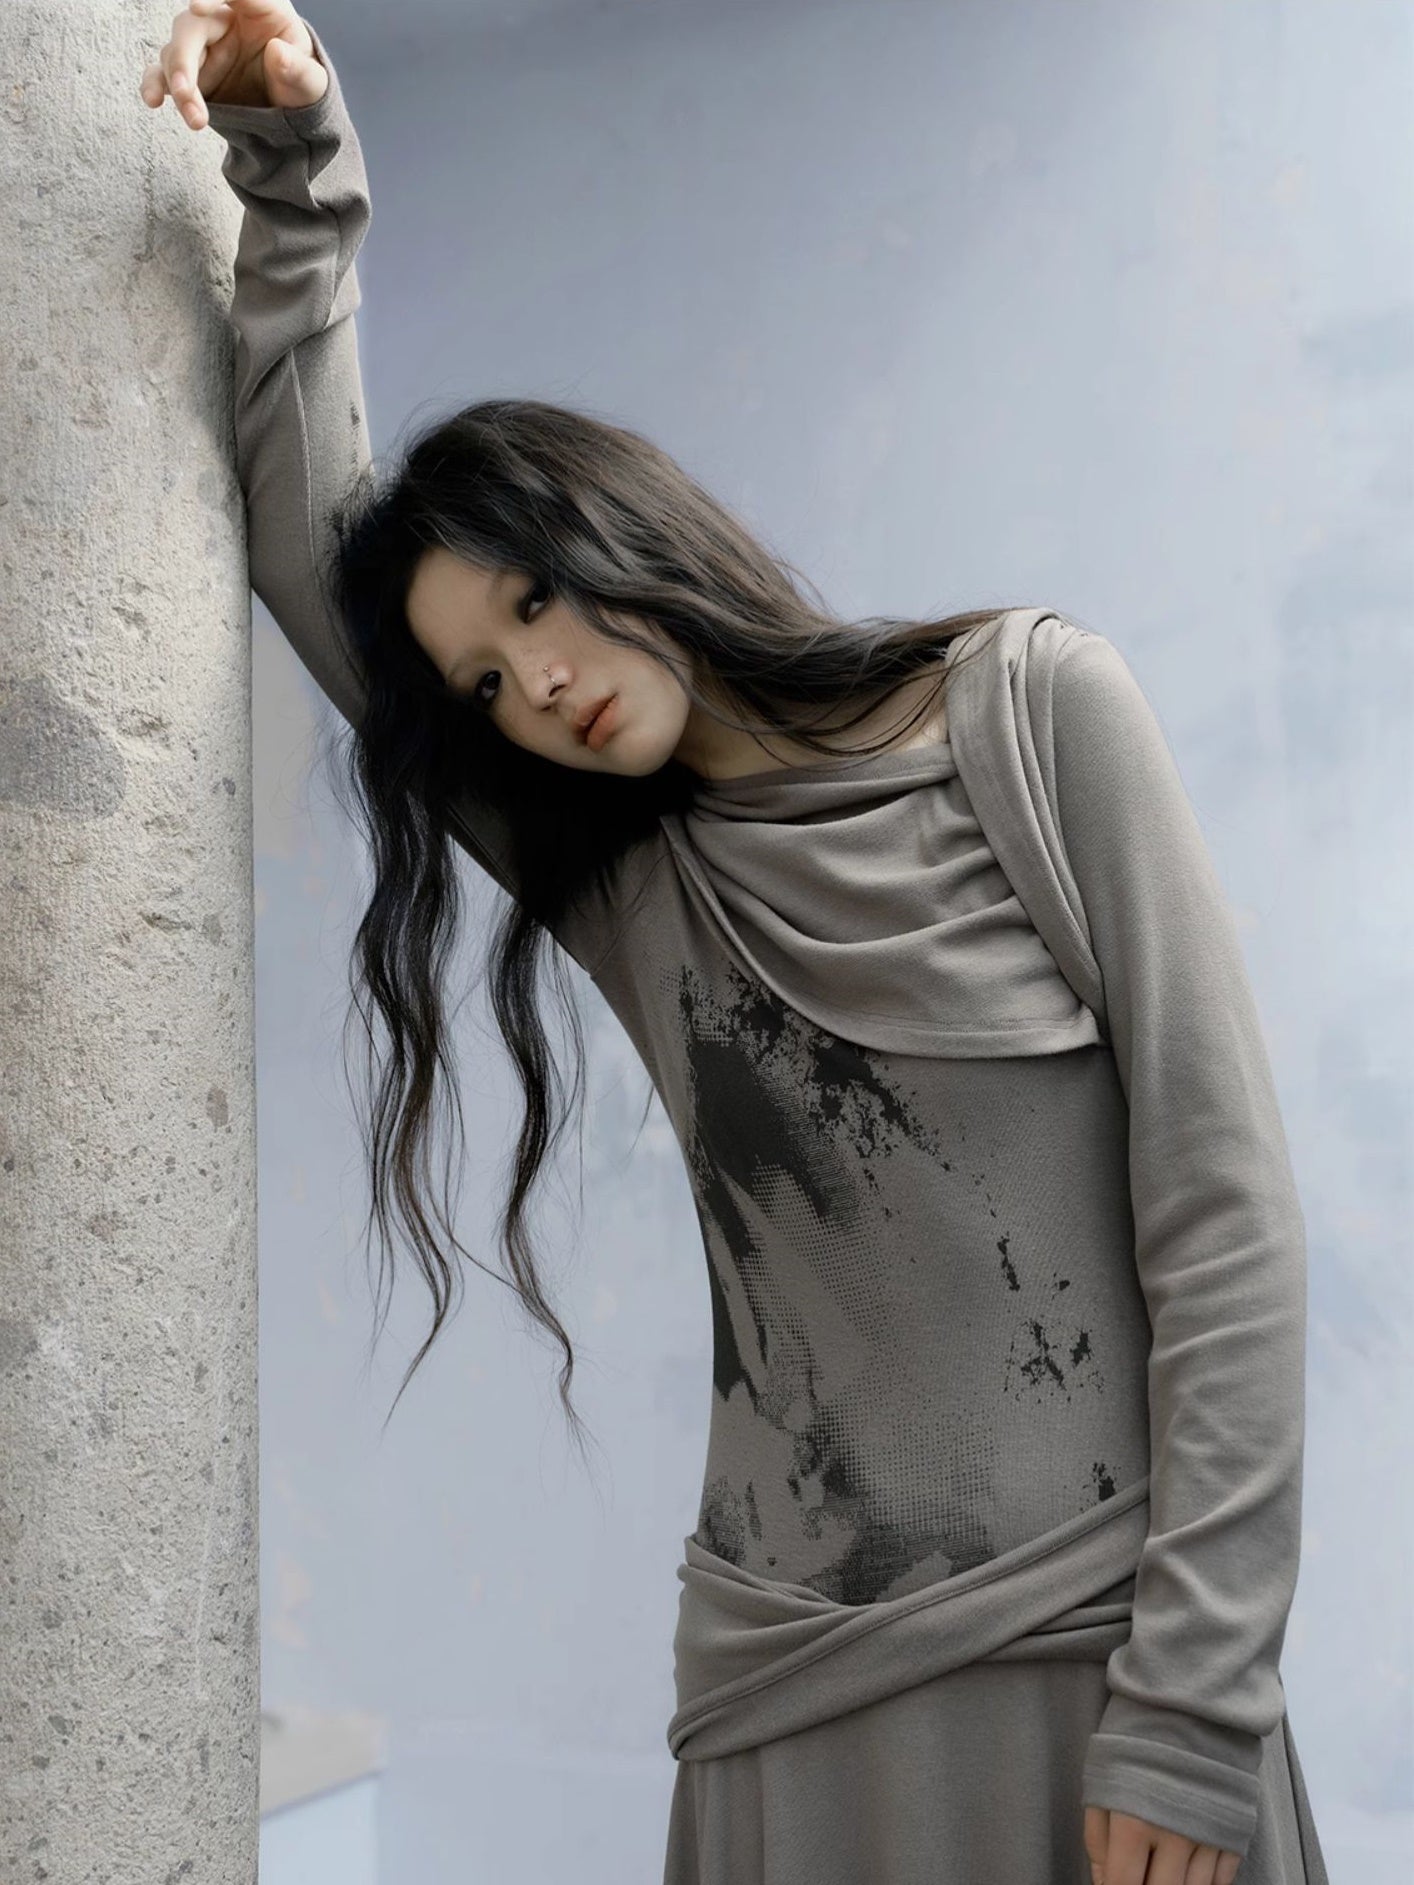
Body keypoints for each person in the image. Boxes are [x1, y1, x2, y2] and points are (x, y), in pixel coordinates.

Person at [139, 9, 1328, 1883]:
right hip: (793, 1701)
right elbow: (311, 554)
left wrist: (1194, 1701)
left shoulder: (1028, 713)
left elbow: (1225, 1220)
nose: (537, 680)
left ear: (624, 530)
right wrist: (293, 180)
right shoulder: (638, 888)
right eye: (483, 681)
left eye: (537, 601)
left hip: (1100, 1671)